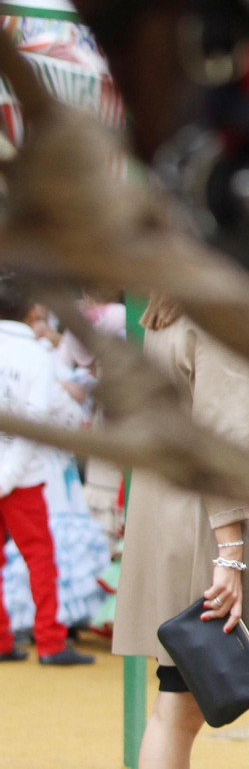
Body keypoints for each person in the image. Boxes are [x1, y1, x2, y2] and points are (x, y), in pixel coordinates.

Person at [114, 297, 249, 769]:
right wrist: (229, 554)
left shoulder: (171, 305)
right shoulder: (215, 311)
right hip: (221, 531)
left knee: (180, 705)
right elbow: (224, 436)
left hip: (189, 525)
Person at [0, 278, 95, 665]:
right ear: (30, 311)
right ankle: (50, 642)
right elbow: (36, 419)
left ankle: (3, 639)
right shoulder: (36, 355)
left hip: (15, 471)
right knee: (39, 557)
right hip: (24, 474)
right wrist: (8, 476)